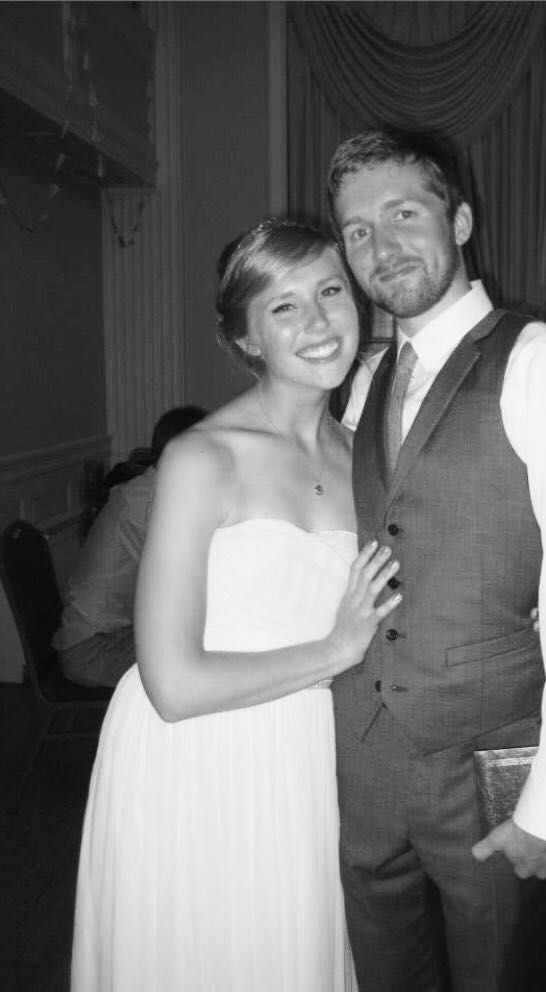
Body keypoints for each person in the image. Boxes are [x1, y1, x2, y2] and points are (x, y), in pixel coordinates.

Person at [327, 127, 546, 991]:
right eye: (357, 230)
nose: (381, 246)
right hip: (365, 762)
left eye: (403, 214)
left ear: (459, 221)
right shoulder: (365, 379)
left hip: (491, 759)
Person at [71, 218, 401, 991]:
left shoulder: (366, 460)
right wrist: (334, 650)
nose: (318, 321)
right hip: (199, 757)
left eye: (329, 291)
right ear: (246, 338)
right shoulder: (202, 457)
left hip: (311, 753)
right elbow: (172, 686)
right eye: (283, 306)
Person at [53, 405, 207, 687]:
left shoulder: (154, 490)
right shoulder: (149, 502)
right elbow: (184, 583)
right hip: (94, 650)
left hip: (111, 637)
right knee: (205, 663)